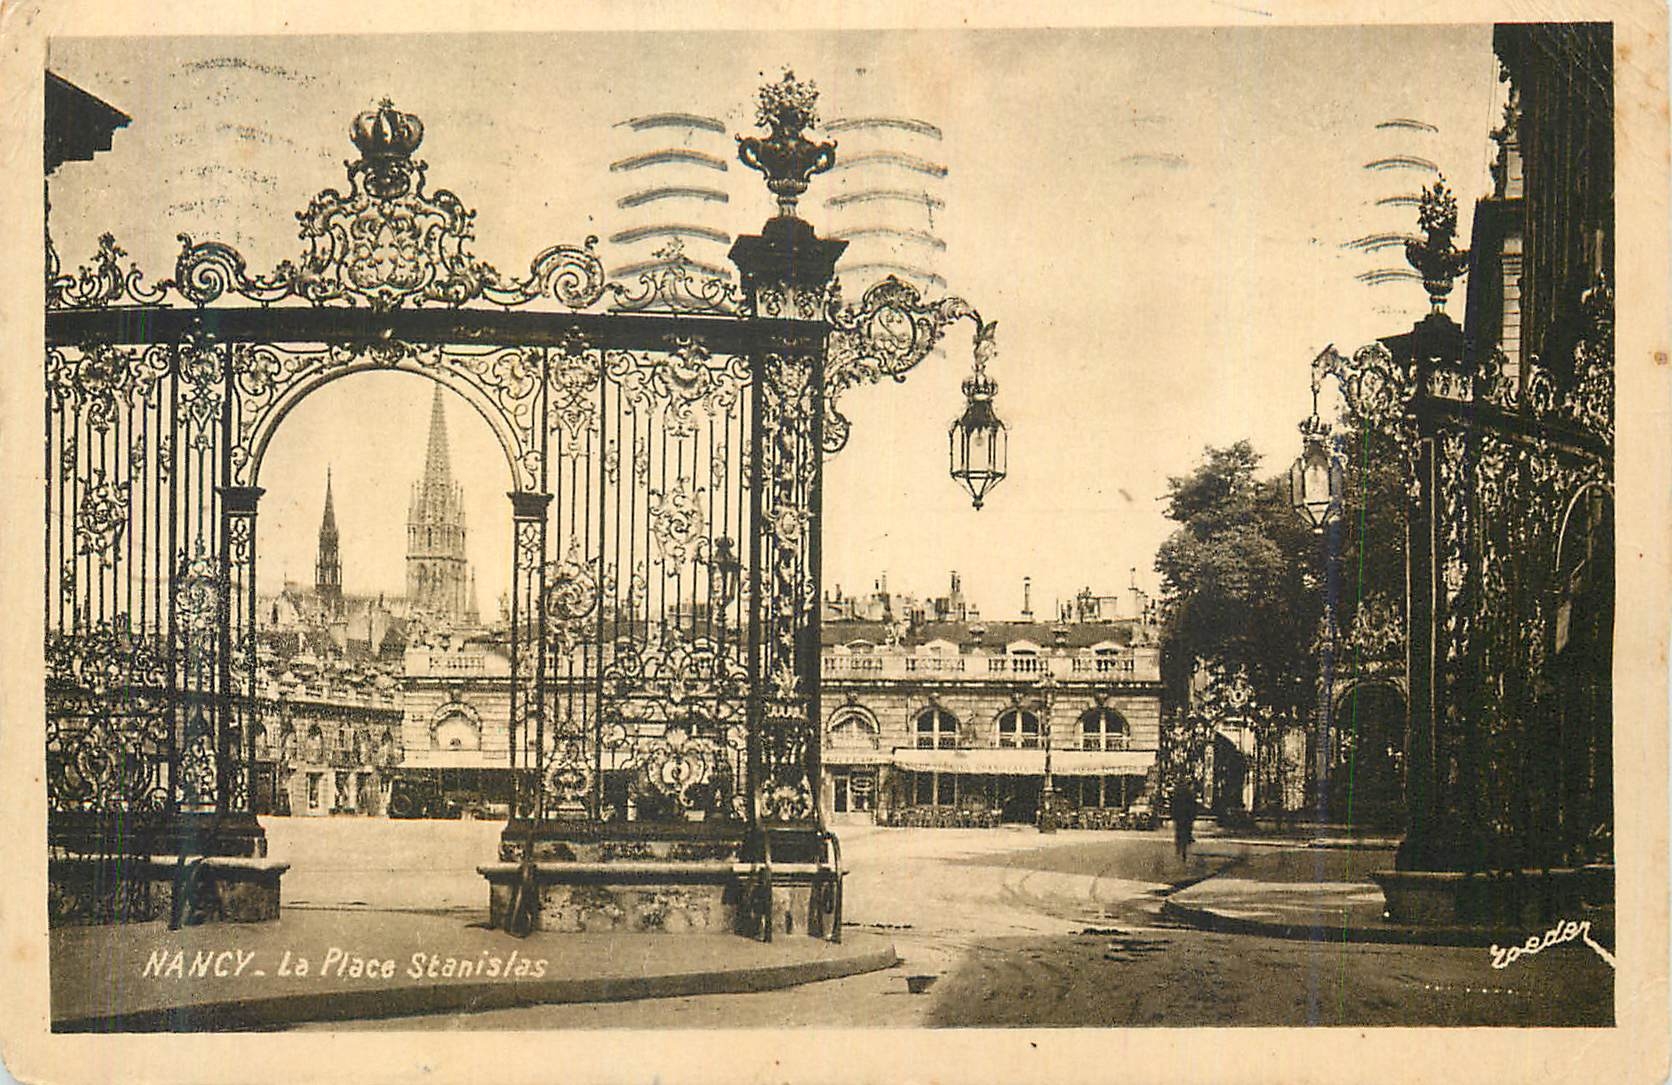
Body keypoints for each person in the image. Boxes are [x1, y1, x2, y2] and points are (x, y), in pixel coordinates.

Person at [1172, 781, 1198, 862]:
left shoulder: (1177, 795)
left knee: (1179, 830)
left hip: (1179, 816)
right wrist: (1193, 816)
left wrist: (1173, 816)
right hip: (1187, 816)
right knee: (1187, 830)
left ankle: (1178, 846)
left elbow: (1173, 806)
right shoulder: (1190, 795)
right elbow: (1193, 806)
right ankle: (1185, 844)